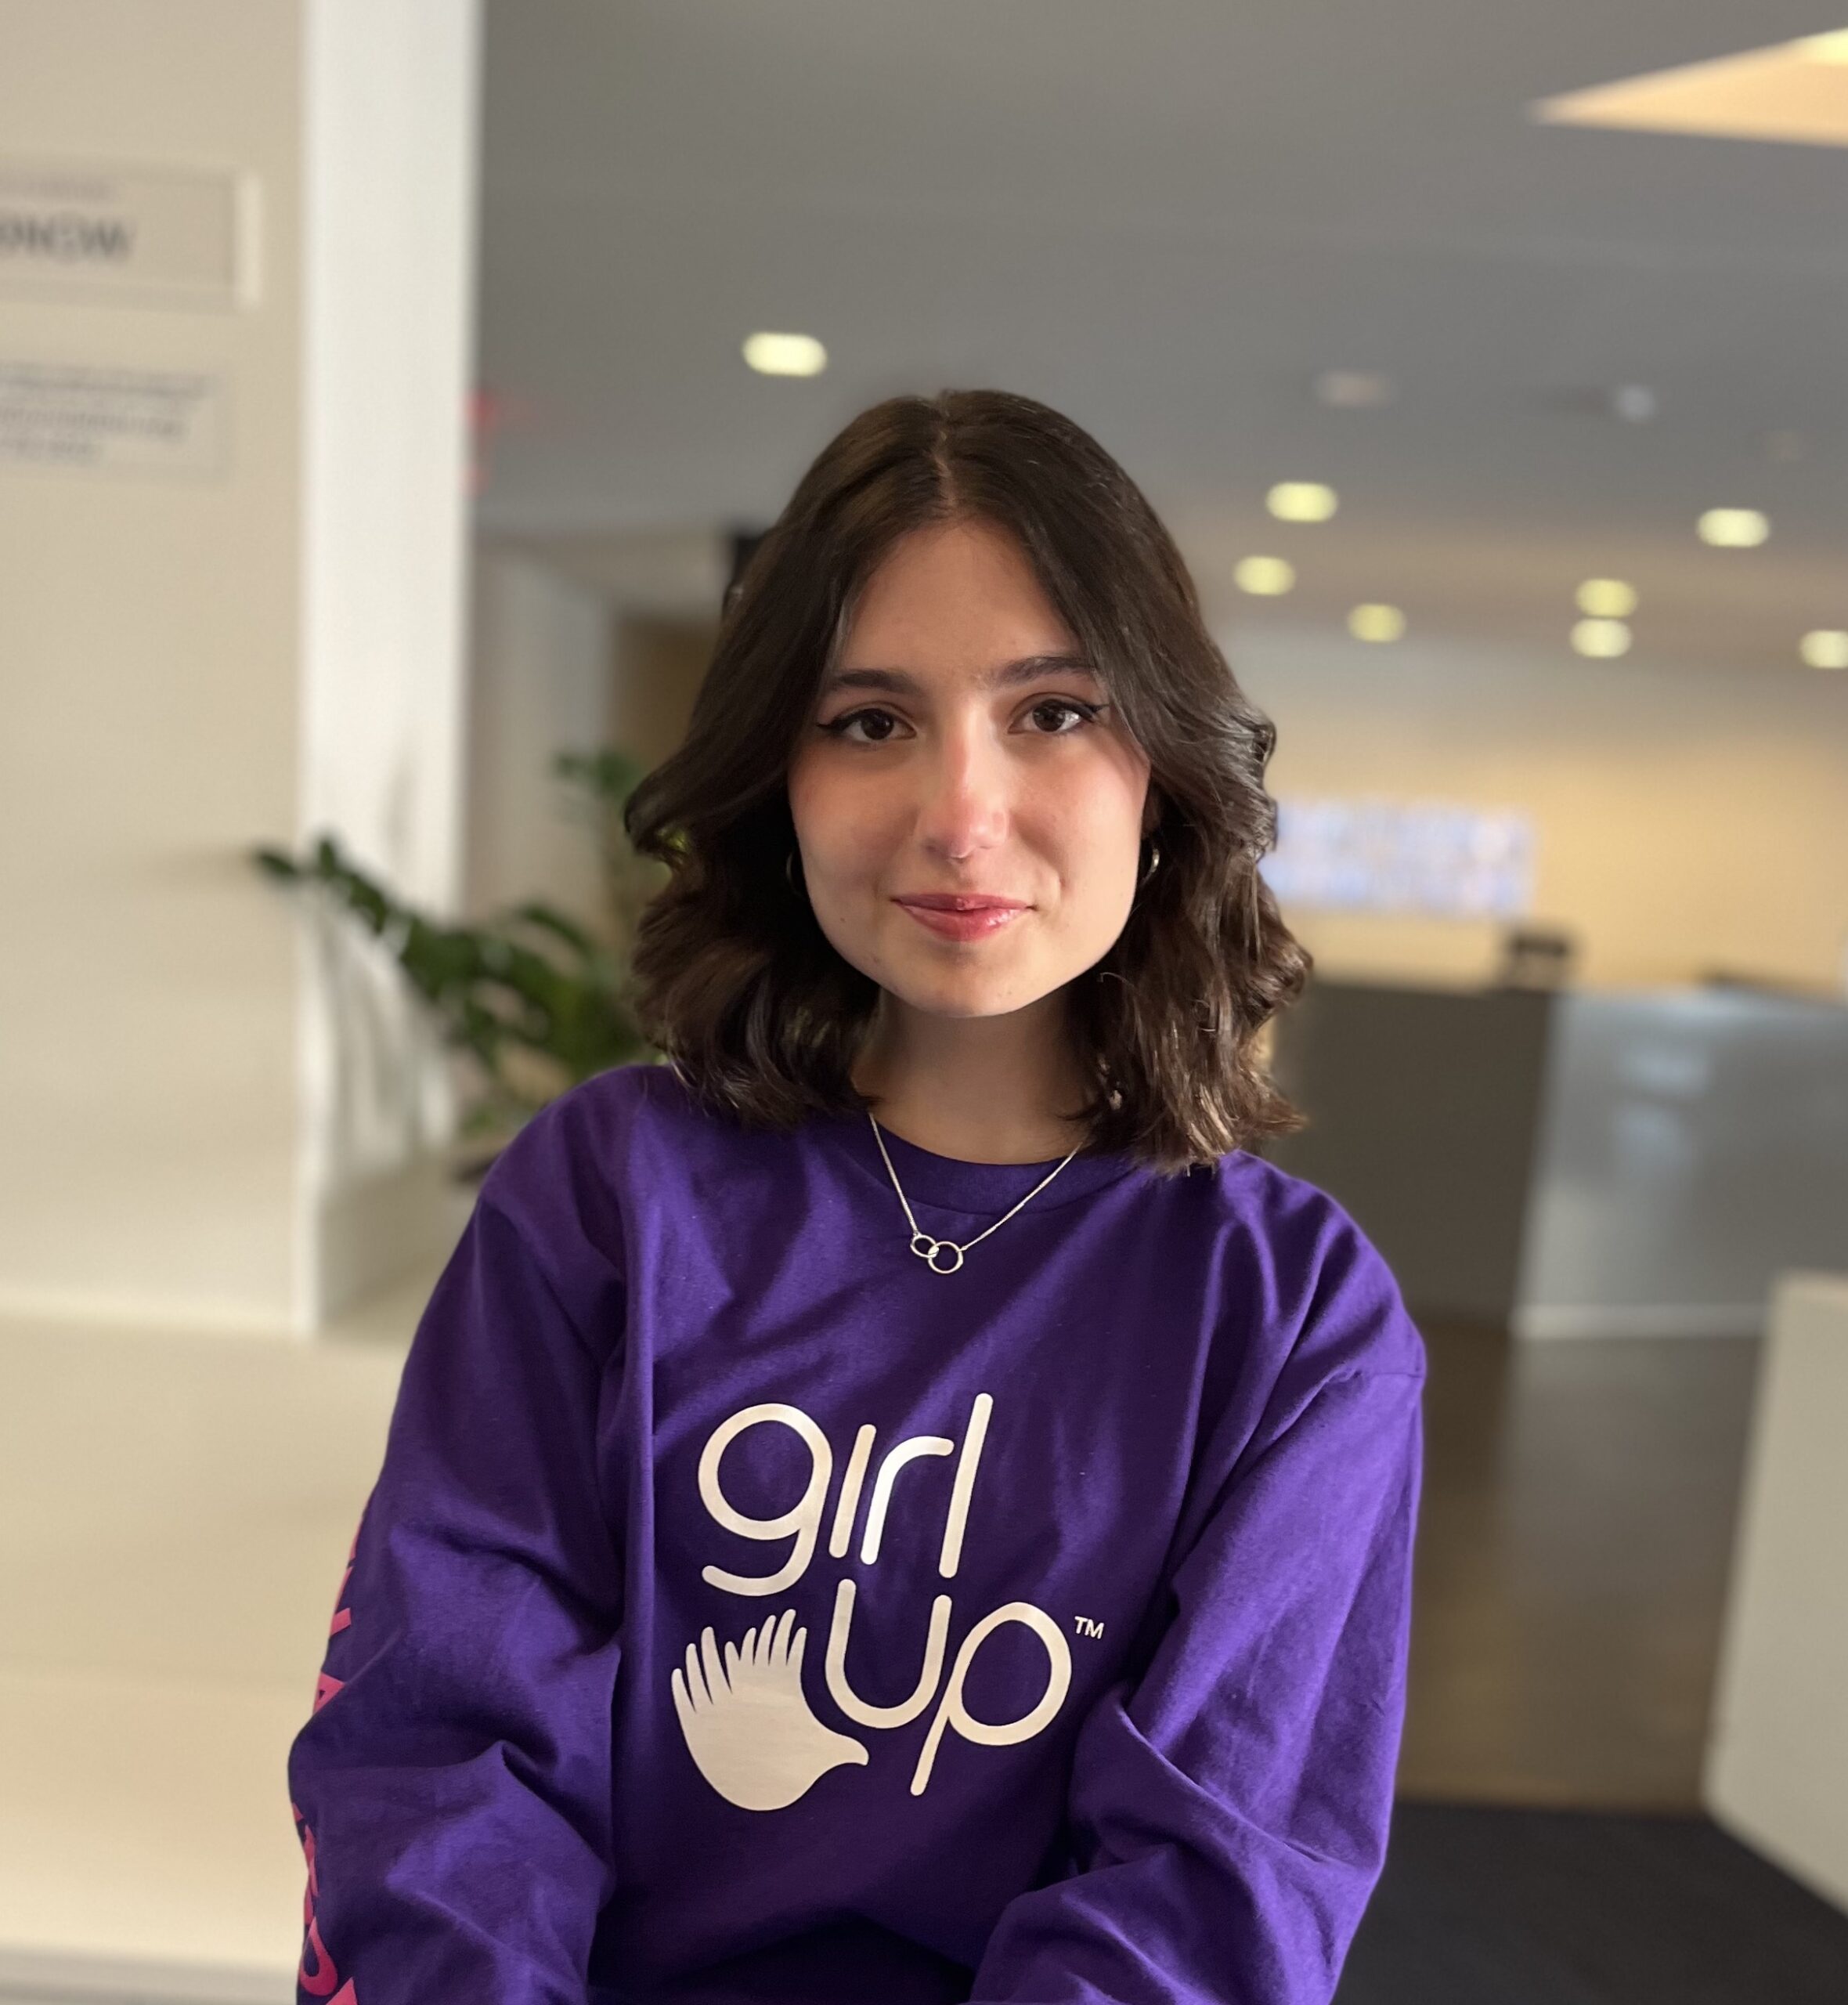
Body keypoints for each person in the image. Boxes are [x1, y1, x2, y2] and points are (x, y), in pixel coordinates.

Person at [286, 388, 1427, 2005]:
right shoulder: (609, 1193)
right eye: (871, 722)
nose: (960, 814)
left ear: (1166, 768)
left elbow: (1214, 1887)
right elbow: (438, 1747)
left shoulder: (1292, 1311)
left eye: (1053, 711)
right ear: (781, 777)